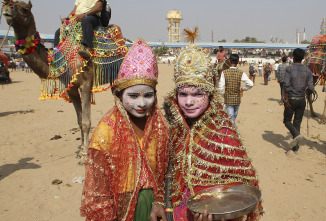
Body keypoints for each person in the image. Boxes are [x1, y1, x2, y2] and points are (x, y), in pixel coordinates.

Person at [163, 43, 263, 221]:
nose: (189, 102)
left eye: (197, 94)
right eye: (183, 94)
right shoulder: (174, 127)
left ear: (210, 95)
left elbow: (241, 185)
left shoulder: (224, 131)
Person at [80, 38, 170, 221]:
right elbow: (98, 189)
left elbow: (166, 171)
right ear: (119, 96)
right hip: (119, 210)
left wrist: (159, 201)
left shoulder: (159, 126)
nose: (142, 103)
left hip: (156, 208)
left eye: (148, 95)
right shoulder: (106, 130)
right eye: (134, 95)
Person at [283, 48, 314, 153]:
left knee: (287, 120)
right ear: (303, 58)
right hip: (302, 100)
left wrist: (286, 99)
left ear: (293, 57)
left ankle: (296, 135)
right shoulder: (308, 71)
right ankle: (295, 148)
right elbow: (311, 88)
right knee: (297, 122)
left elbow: (286, 85)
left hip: (291, 98)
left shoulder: (289, 69)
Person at [219, 54, 254, 125]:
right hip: (237, 100)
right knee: (233, 118)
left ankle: (233, 133)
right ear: (238, 62)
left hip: (228, 100)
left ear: (229, 61)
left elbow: (220, 88)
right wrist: (243, 89)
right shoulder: (241, 73)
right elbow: (250, 84)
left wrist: (224, 95)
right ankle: (233, 133)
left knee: (231, 120)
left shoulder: (224, 73)